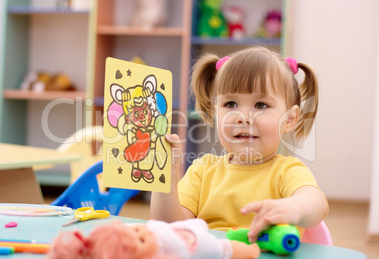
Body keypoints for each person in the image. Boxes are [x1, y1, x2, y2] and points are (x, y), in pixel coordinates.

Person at [151, 46, 328, 243]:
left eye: (261, 105)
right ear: (215, 111)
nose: (243, 117)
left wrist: (294, 208)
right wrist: (164, 178)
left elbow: (316, 204)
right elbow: (170, 229)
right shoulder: (202, 171)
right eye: (231, 104)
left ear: (289, 119)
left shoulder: (287, 172)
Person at [46, 219, 260, 259]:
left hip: (186, 228)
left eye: (137, 231)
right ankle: (251, 252)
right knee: (223, 249)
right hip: (201, 245)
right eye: (141, 241)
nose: (145, 233)